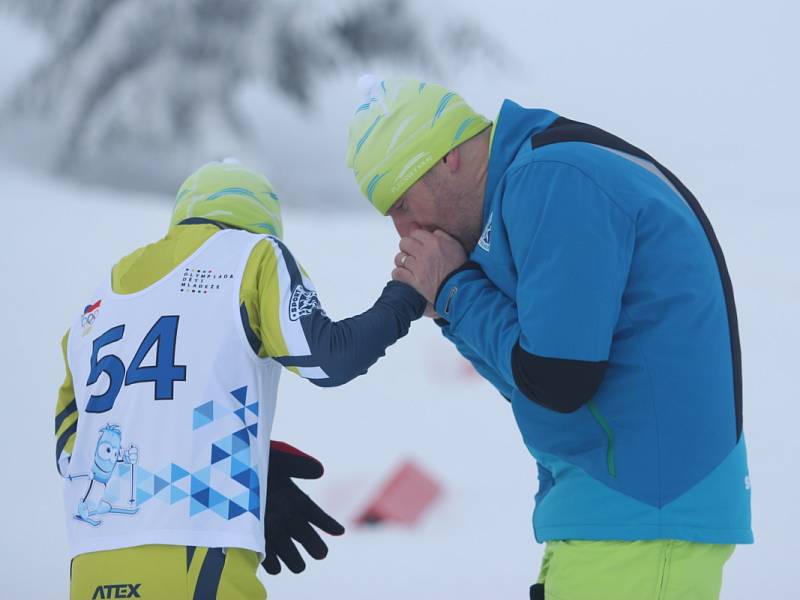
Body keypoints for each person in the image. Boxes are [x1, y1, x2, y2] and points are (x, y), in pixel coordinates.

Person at [346, 76, 753, 600]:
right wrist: (451, 307)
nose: (404, 232)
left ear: (446, 157)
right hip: (612, 515)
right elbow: (532, 382)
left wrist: (455, 289)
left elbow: (560, 379)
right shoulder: (532, 185)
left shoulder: (552, 179)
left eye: (402, 204)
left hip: (643, 517)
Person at [55, 159, 427, 599]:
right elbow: (332, 357)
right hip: (196, 556)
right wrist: (409, 294)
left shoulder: (102, 299)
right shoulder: (253, 257)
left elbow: (72, 451)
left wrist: (241, 457)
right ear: (264, 223)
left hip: (92, 562)